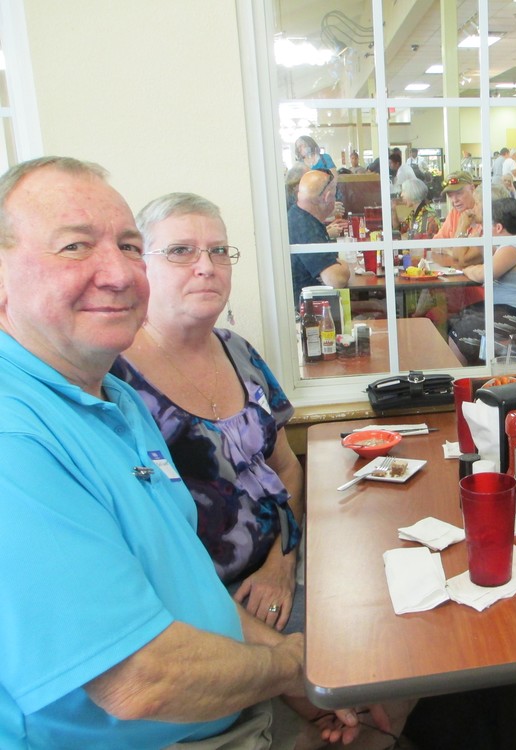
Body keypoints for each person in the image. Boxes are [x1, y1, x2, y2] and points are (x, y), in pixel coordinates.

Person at [0, 156, 384, 748]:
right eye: (75, 246)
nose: (117, 273)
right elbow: (139, 682)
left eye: (128, 247)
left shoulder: (111, 399)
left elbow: (189, 583)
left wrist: (292, 660)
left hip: (231, 682)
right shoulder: (19, 439)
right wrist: (296, 668)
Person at [111, 192, 305, 635]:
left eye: (218, 250)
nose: (207, 266)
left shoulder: (240, 351)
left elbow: (287, 468)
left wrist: (282, 562)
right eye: (181, 251)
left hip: (284, 553)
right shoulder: (113, 380)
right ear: (140, 264)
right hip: (196, 604)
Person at [447, 197, 516, 365]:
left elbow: (483, 274)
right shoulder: (514, 242)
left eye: (487, 224)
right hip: (511, 309)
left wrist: (467, 270)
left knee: (461, 331)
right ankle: (472, 365)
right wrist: (481, 241)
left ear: (498, 227)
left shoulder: (511, 248)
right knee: (459, 317)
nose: (484, 227)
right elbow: (491, 259)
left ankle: (464, 373)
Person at [288, 169, 350, 303]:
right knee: (378, 306)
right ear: (327, 197)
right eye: (335, 195)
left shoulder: (299, 216)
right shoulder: (305, 226)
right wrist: (345, 265)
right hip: (311, 310)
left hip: (315, 303)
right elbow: (336, 279)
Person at [432, 170, 483, 268]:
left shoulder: (484, 214)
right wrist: (452, 251)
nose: (454, 200)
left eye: (459, 193)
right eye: (450, 196)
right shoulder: (454, 213)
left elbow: (465, 259)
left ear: (472, 188)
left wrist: (455, 250)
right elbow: (435, 243)